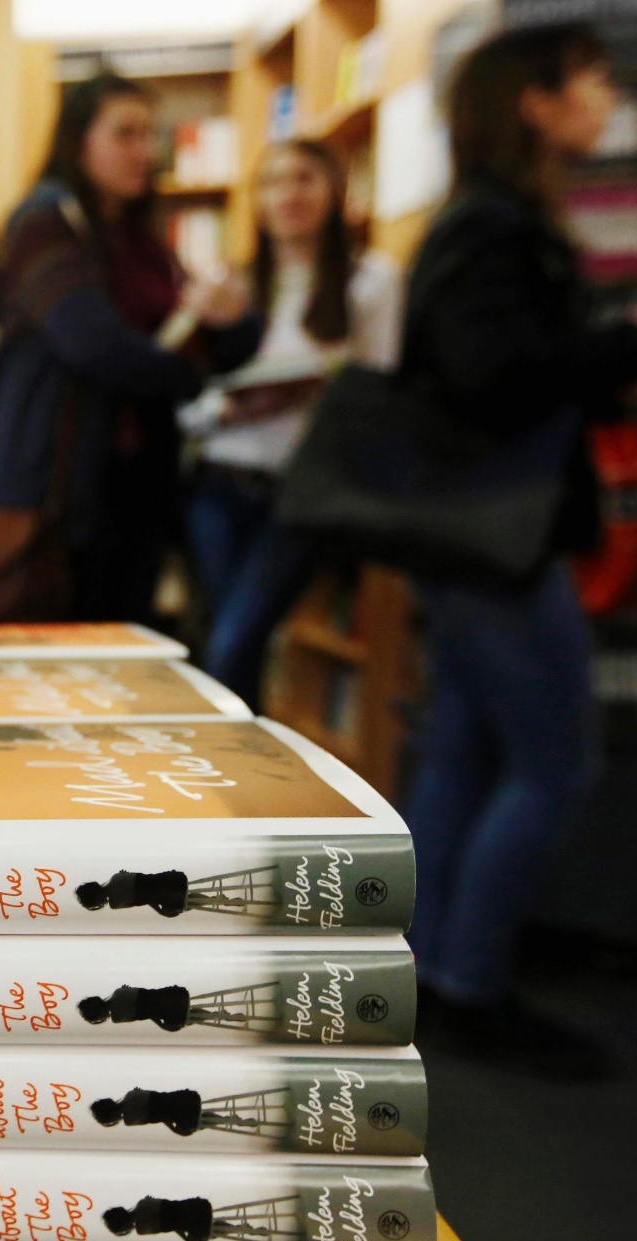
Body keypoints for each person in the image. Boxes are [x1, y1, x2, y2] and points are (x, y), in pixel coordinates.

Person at [400, 22, 636, 1079]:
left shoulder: (485, 223)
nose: (608, 98)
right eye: (590, 80)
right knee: (553, 761)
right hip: (497, 535)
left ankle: (432, 970)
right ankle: (469, 982)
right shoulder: (491, 229)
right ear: (533, 103)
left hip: (477, 531)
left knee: (465, 751)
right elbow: (492, 374)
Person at [0, 74, 260, 624]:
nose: (144, 152)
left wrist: (233, 320)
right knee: (54, 656)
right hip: (53, 489)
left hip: (132, 488)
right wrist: (193, 371)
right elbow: (95, 346)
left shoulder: (141, 239)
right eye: (125, 134)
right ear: (79, 141)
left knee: (122, 651)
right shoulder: (44, 223)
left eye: (150, 135)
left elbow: (210, 344)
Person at [190, 140, 403, 707]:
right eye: (274, 182)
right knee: (223, 643)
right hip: (217, 479)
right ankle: (240, 781)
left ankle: (239, 785)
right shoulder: (229, 282)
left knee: (236, 639)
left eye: (305, 178)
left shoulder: (371, 280)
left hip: (300, 492)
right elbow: (184, 385)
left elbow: (380, 393)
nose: (289, 195)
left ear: (335, 191)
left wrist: (315, 390)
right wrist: (223, 407)